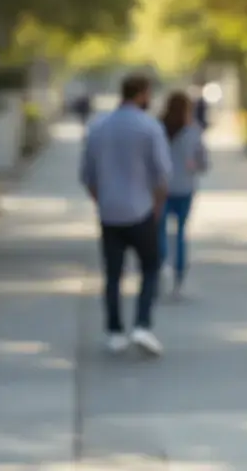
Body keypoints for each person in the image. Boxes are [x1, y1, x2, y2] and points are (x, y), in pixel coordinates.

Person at [79, 72, 172, 357]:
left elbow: (87, 175)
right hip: (141, 209)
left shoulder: (98, 127)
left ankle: (115, 332)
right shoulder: (150, 127)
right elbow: (163, 173)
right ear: (143, 94)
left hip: (109, 212)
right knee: (150, 268)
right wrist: (156, 208)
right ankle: (142, 325)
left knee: (113, 274)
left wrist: (102, 201)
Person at [158, 90, 209, 298]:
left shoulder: (157, 129)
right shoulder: (193, 131)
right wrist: (193, 165)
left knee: (159, 231)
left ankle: (161, 267)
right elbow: (204, 164)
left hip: (161, 189)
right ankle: (178, 277)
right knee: (180, 234)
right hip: (185, 188)